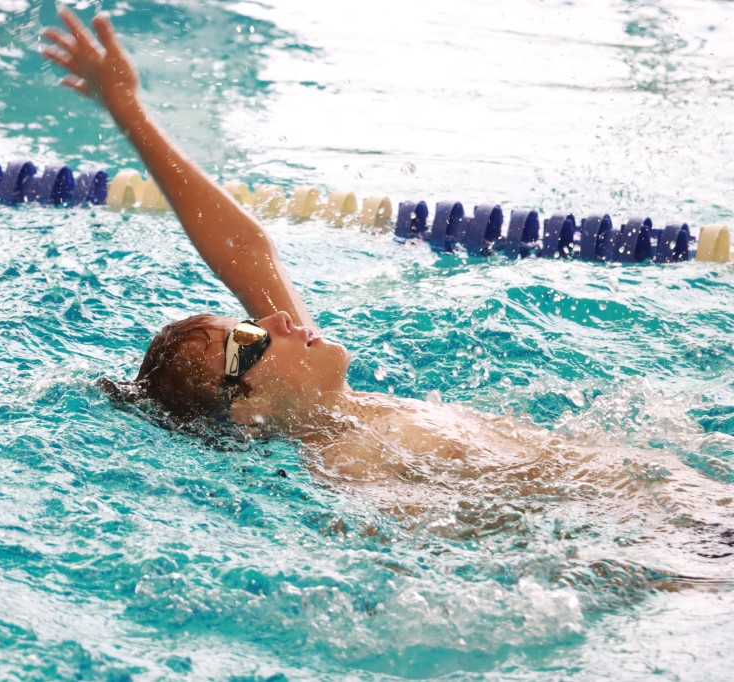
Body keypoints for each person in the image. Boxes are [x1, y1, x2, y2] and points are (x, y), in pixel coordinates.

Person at [41, 9, 734, 567]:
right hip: (689, 554)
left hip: (693, 508)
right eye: (250, 339)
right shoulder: (351, 464)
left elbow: (243, 246)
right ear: (246, 408)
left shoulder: (343, 408)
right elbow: (487, 565)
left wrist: (127, 107)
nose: (277, 317)